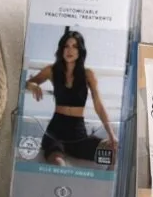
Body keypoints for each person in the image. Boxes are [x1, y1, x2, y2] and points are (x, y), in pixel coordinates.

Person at [24, 28, 117, 167]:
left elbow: (99, 106)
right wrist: (32, 86)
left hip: (78, 134)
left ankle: (106, 185)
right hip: (56, 131)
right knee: (59, 164)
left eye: (74, 47)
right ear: (61, 49)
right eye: (66, 46)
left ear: (80, 51)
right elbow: (27, 83)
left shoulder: (88, 74)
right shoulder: (52, 70)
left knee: (112, 151)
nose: (70, 50)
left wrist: (111, 134)